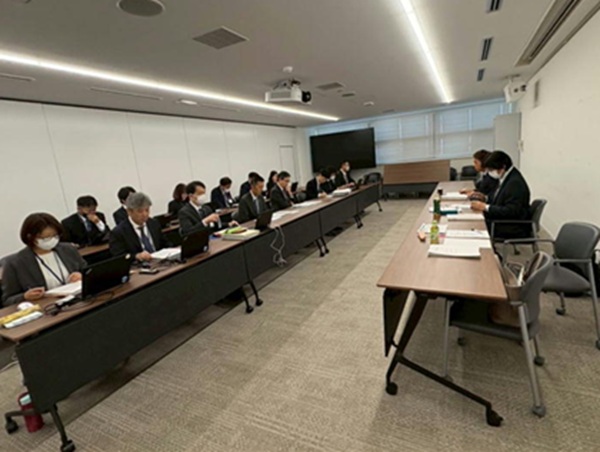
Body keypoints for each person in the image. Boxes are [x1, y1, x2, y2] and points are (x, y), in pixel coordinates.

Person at [2, 213, 86, 306]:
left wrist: (81, 276)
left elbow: (88, 271)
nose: (52, 240)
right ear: (30, 237)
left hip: (77, 301)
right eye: (46, 238)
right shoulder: (15, 263)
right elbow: (7, 300)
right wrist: (25, 296)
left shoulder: (68, 249)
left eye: (55, 236)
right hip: (47, 308)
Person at [470, 150, 531, 239]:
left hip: (512, 226)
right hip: (503, 221)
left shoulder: (515, 183)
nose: (490, 173)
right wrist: (485, 198)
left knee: (476, 226)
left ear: (502, 168)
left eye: (491, 170)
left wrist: (485, 207)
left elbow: (511, 211)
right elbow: (500, 198)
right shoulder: (508, 176)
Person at [109, 192, 168, 262]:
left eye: (147, 210)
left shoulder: (153, 223)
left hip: (160, 262)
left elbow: (165, 243)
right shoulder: (118, 232)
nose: (145, 214)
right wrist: (136, 256)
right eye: (140, 211)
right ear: (129, 212)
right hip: (138, 266)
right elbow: (119, 257)